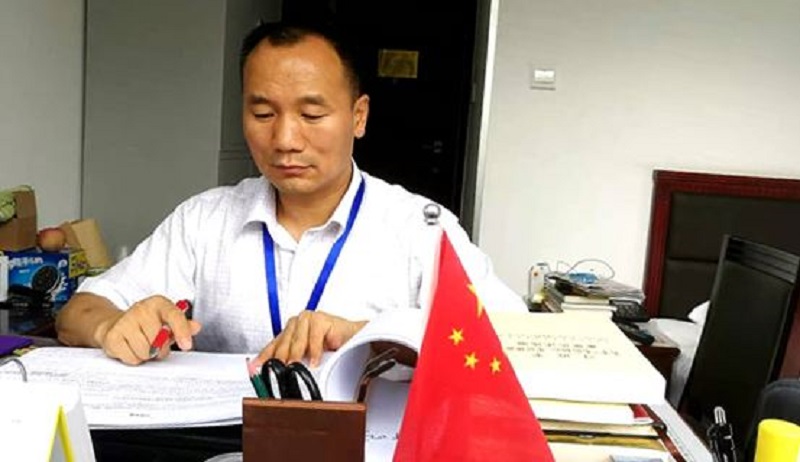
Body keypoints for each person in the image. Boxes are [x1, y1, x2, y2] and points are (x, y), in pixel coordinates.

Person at [55, 21, 525, 367]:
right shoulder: (203, 220)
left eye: (312, 115)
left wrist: (370, 337)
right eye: (263, 114)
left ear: (359, 117)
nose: (284, 140)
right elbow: (78, 310)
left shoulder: (420, 227)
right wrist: (111, 326)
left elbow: (515, 341)